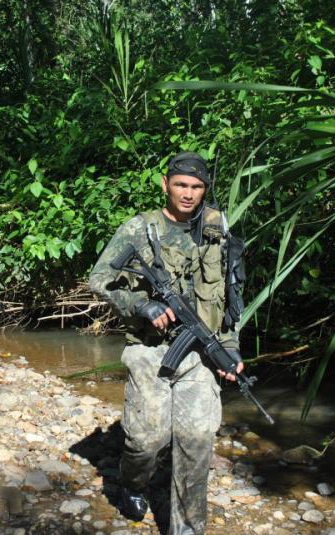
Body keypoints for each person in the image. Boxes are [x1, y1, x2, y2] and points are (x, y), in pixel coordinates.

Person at [89, 151, 245, 534]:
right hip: (149, 350)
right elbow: (98, 280)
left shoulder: (218, 233)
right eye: (180, 185)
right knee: (147, 439)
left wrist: (230, 350)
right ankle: (133, 482)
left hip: (201, 353)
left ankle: (186, 528)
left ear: (205, 189)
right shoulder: (140, 228)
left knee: (196, 441)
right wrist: (141, 304)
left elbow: (228, 301)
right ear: (165, 184)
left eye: (196, 186)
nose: (188, 193)